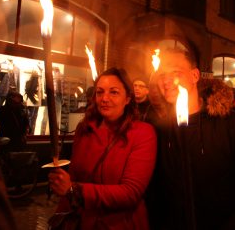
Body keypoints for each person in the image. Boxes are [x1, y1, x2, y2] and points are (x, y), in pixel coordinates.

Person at [148, 48, 235, 230]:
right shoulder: (159, 128)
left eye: (176, 72)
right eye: (162, 75)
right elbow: (156, 193)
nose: (167, 81)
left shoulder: (231, 123)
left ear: (194, 75)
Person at [48, 68, 157, 230]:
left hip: (120, 224)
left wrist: (75, 190)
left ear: (127, 98)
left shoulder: (143, 133)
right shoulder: (84, 129)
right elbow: (73, 179)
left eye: (114, 92)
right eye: (100, 92)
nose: (104, 98)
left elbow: (131, 192)